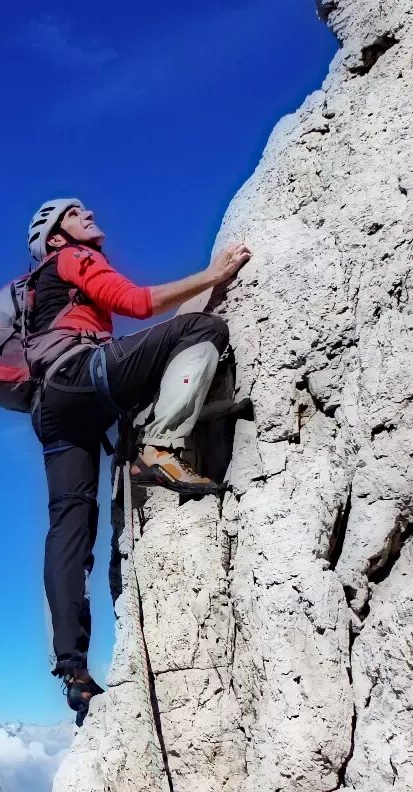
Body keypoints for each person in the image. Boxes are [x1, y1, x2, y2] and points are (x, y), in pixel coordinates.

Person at [24, 198, 251, 724]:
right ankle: (161, 446)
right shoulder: (72, 259)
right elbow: (137, 303)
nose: (87, 213)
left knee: (69, 531)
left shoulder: (36, 293)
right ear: (56, 238)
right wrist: (214, 276)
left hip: (52, 409)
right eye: (73, 213)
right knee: (203, 331)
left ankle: (72, 669)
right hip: (84, 376)